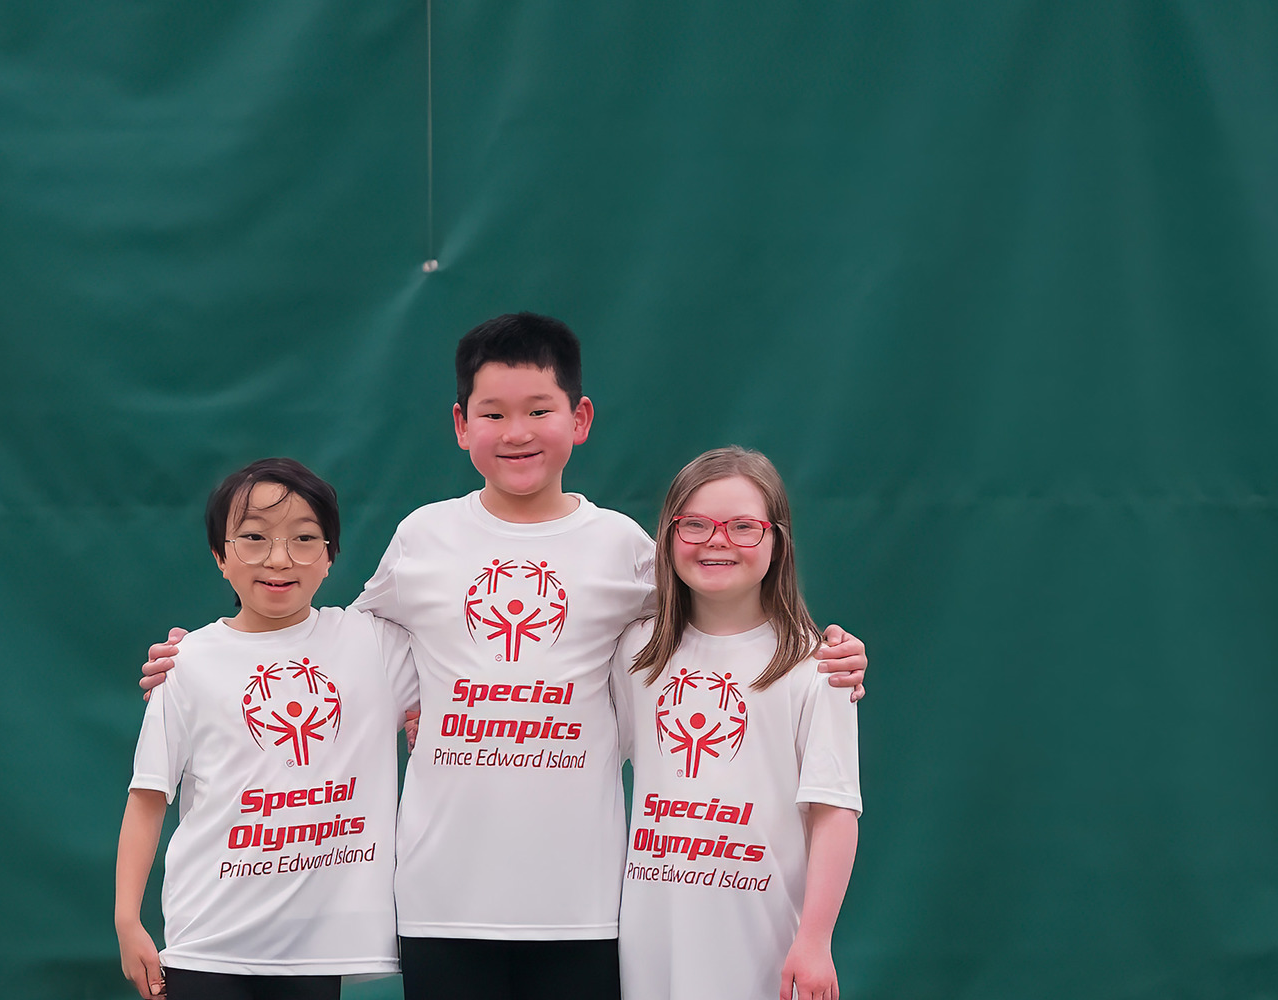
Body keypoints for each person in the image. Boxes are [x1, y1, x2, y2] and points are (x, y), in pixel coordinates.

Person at [142, 314, 868, 1000]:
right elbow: (331, 649)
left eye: (539, 410)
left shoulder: (623, 551)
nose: (516, 433)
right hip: (441, 900)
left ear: (579, 420)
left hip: (586, 909)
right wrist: (211, 655)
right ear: (461, 426)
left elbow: (714, 627)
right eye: (492, 413)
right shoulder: (424, 539)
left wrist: (826, 649)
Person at [115, 459, 416, 1000]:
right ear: (219, 555)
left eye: (304, 539)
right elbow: (148, 795)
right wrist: (126, 919)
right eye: (253, 538)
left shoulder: (373, 647)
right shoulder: (187, 662)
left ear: (331, 556)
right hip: (207, 942)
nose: (279, 559)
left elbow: (471, 673)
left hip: (315, 950)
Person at [613, 447, 860, 1000]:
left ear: (778, 542)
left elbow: (835, 812)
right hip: (651, 946)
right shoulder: (636, 653)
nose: (717, 540)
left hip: (761, 948)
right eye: (695, 524)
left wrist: (816, 940)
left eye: (743, 526)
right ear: (667, 536)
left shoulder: (816, 666)